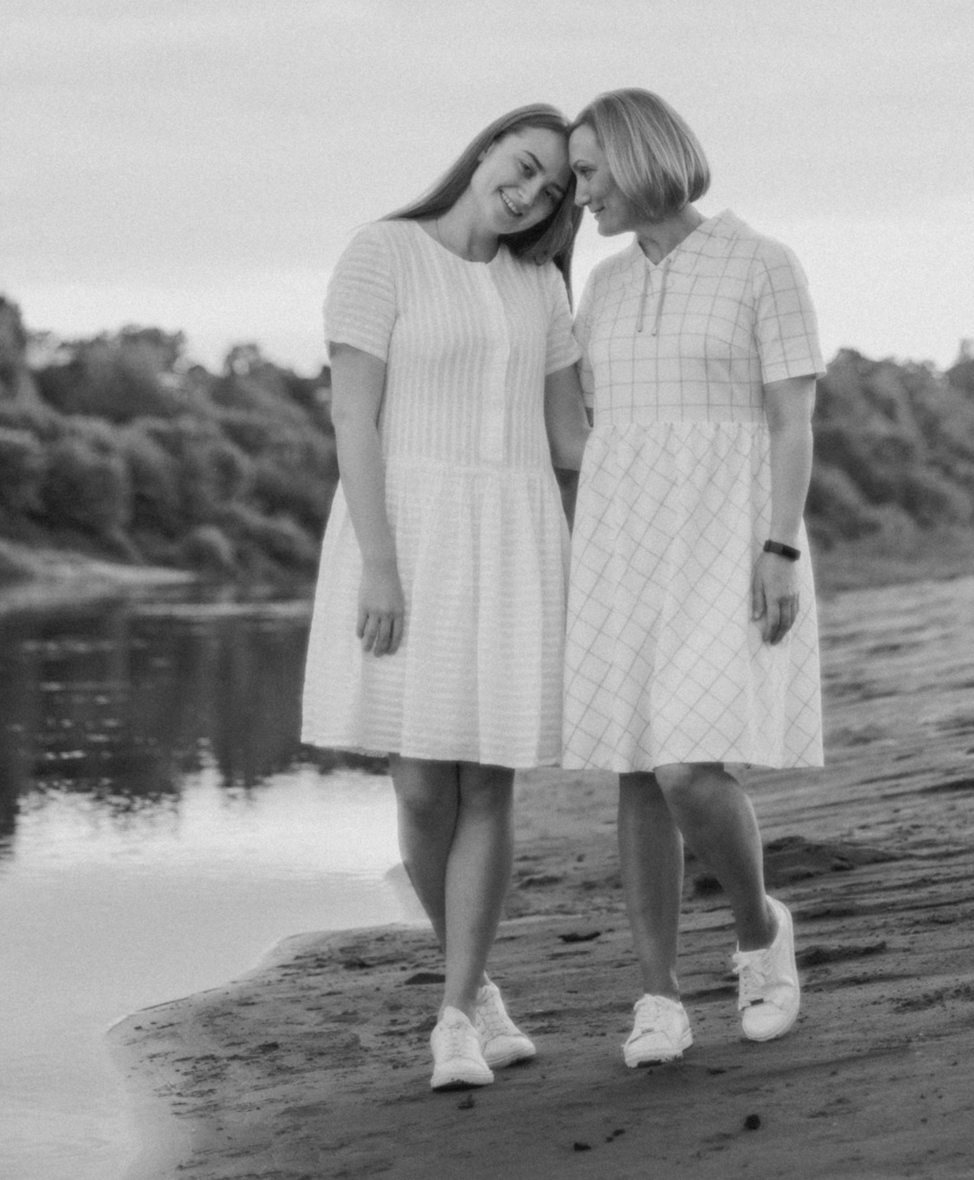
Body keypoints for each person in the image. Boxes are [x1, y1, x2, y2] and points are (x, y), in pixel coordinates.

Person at [300, 104, 592, 1092]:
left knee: (488, 783)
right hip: (407, 531)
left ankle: (457, 1011)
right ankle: (481, 989)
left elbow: (568, 439)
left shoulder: (540, 285)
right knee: (422, 785)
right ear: (486, 148)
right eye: (524, 165)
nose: (530, 193)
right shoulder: (383, 253)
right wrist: (381, 564)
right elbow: (353, 416)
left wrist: (686, 446)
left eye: (552, 191)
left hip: (512, 535)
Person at [561, 88, 825, 1068]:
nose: (580, 194)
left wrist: (780, 545)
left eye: (589, 172)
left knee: (686, 766)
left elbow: (792, 419)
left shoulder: (764, 263)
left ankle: (760, 934)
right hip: (623, 540)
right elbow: (583, 428)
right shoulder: (602, 285)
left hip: (729, 533)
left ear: (640, 158)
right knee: (638, 767)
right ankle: (658, 995)